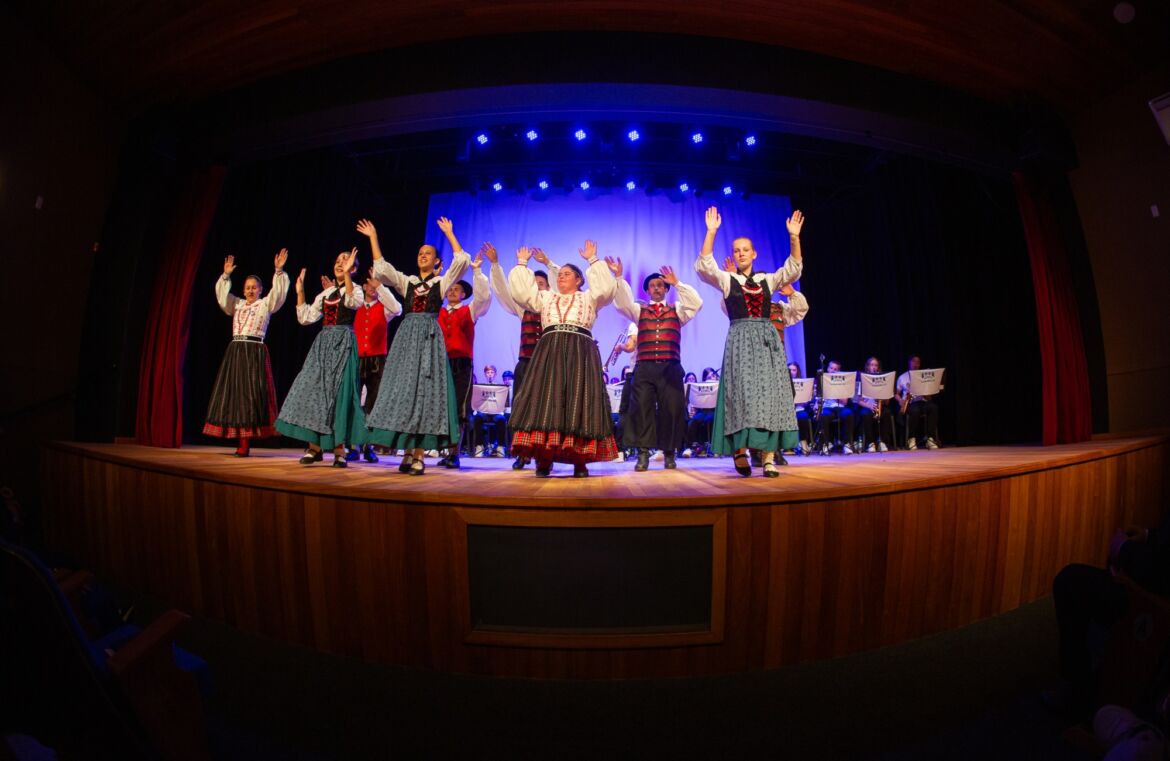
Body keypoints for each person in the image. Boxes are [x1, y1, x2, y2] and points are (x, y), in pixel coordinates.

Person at [694, 206, 804, 477]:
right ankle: (739, 450)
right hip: (741, 340)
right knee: (741, 396)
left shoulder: (767, 279)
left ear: (754, 253)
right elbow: (705, 267)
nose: (741, 254)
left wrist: (794, 237)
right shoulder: (728, 279)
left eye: (745, 250)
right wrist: (711, 232)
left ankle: (768, 458)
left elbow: (793, 269)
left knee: (770, 397)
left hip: (766, 342)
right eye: (736, 250)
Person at [358, 216, 471, 476]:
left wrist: (450, 234)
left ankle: (419, 453)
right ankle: (408, 450)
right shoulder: (408, 282)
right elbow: (383, 269)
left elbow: (462, 262)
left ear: (437, 262)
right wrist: (373, 238)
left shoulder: (439, 283)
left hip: (428, 339)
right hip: (407, 339)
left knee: (425, 394)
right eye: (420, 253)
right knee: (406, 393)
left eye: (428, 253)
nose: (422, 256)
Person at [506, 242, 619, 477]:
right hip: (550, 350)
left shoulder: (589, 297)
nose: (561, 277)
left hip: (580, 350)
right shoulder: (546, 297)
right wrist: (522, 264)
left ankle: (580, 459)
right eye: (560, 275)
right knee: (546, 400)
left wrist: (593, 260)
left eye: (567, 274)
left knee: (580, 400)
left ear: (579, 280)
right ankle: (543, 458)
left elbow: (607, 290)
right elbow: (522, 295)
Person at [275, 248, 365, 467]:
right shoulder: (326, 293)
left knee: (339, 395)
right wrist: (300, 292)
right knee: (314, 391)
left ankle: (339, 450)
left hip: (343, 344)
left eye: (345, 260)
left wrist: (347, 276)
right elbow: (305, 317)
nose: (340, 263)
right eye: (337, 260)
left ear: (353, 268)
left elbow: (353, 302)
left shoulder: (356, 289)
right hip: (323, 344)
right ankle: (314, 447)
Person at [613, 266, 703, 471]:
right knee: (642, 410)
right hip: (644, 368)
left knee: (670, 411)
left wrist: (677, 283)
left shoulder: (677, 310)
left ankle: (669, 453)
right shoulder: (639, 311)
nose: (656, 288)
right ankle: (643, 454)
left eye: (660, 285)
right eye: (652, 285)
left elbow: (696, 303)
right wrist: (618, 277)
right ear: (647, 290)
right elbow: (622, 304)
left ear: (666, 289)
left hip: (670, 367)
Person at [203, 248, 290, 456]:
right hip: (236, 351)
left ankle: (245, 443)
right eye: (248, 288)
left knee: (250, 396)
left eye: (254, 288)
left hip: (254, 352)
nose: (251, 291)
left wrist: (278, 271)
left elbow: (278, 295)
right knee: (234, 395)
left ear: (260, 290)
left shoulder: (264, 304)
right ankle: (240, 441)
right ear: (243, 290)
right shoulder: (237, 304)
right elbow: (223, 299)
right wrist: (226, 276)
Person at [485, 243, 558, 470]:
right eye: (533, 284)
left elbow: (559, 287)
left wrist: (548, 263)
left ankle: (544, 454)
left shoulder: (553, 305)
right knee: (522, 407)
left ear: (548, 287)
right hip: (526, 363)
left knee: (546, 408)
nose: (536, 288)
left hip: (548, 364)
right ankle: (523, 452)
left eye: (541, 284)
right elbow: (503, 292)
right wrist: (495, 265)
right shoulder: (522, 308)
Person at [436, 255, 491, 469]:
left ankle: (455, 453)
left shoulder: (469, 310)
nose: (452, 291)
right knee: (442, 407)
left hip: (462, 364)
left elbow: (483, 297)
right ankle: (444, 451)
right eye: (450, 289)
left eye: (456, 289)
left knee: (459, 408)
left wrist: (476, 271)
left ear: (463, 294)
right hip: (442, 364)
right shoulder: (439, 312)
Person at [895, 354, 940, 450]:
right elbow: (896, 393)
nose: (916, 364)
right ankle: (911, 439)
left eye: (918, 362)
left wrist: (927, 394)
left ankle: (930, 438)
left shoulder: (924, 376)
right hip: (910, 403)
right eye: (914, 362)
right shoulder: (903, 377)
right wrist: (900, 400)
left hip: (923, 401)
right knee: (914, 410)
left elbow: (929, 396)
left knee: (933, 408)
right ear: (909, 363)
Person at [853, 356, 894, 453]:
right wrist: (870, 406)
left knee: (886, 413)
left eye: (876, 365)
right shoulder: (862, 379)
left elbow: (887, 402)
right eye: (872, 365)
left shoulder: (883, 379)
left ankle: (882, 442)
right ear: (867, 367)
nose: (874, 367)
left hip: (879, 405)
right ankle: (870, 443)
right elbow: (857, 400)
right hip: (866, 406)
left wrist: (884, 397)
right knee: (866, 414)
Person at [816, 359, 856, 454]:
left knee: (848, 414)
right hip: (827, 407)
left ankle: (847, 444)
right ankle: (826, 444)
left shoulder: (843, 382)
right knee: (824, 415)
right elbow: (818, 398)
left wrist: (832, 393)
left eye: (835, 369)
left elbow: (845, 401)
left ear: (839, 371)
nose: (833, 370)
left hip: (840, 407)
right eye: (831, 368)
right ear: (828, 369)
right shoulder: (822, 381)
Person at [788, 362, 814, 455]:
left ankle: (803, 441)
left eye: (794, 370)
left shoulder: (803, 383)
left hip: (799, 409)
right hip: (786, 411)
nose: (791, 372)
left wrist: (801, 401)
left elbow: (807, 401)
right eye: (789, 370)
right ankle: (787, 446)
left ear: (797, 371)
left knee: (803, 417)